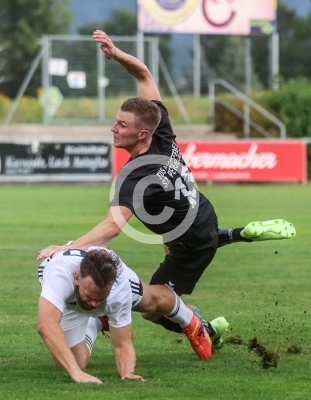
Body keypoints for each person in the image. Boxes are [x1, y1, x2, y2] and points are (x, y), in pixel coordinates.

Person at [37, 30, 296, 339]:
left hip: (190, 241)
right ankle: (233, 234)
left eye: (122, 125)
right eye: (116, 121)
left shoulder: (134, 176)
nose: (113, 128)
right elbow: (144, 73)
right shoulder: (161, 129)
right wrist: (117, 55)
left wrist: (65, 249)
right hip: (200, 212)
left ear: (141, 134)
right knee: (171, 237)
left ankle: (207, 329)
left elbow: (112, 227)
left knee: (151, 306)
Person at [37, 246, 226, 383]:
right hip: (72, 304)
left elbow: (122, 343)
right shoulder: (59, 275)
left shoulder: (120, 289)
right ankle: (95, 322)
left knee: (152, 303)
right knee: (69, 363)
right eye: (90, 296)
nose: (94, 303)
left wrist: (126, 372)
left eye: (101, 298)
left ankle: (189, 319)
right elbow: (46, 324)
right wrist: (75, 372)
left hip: (111, 281)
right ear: (77, 278)